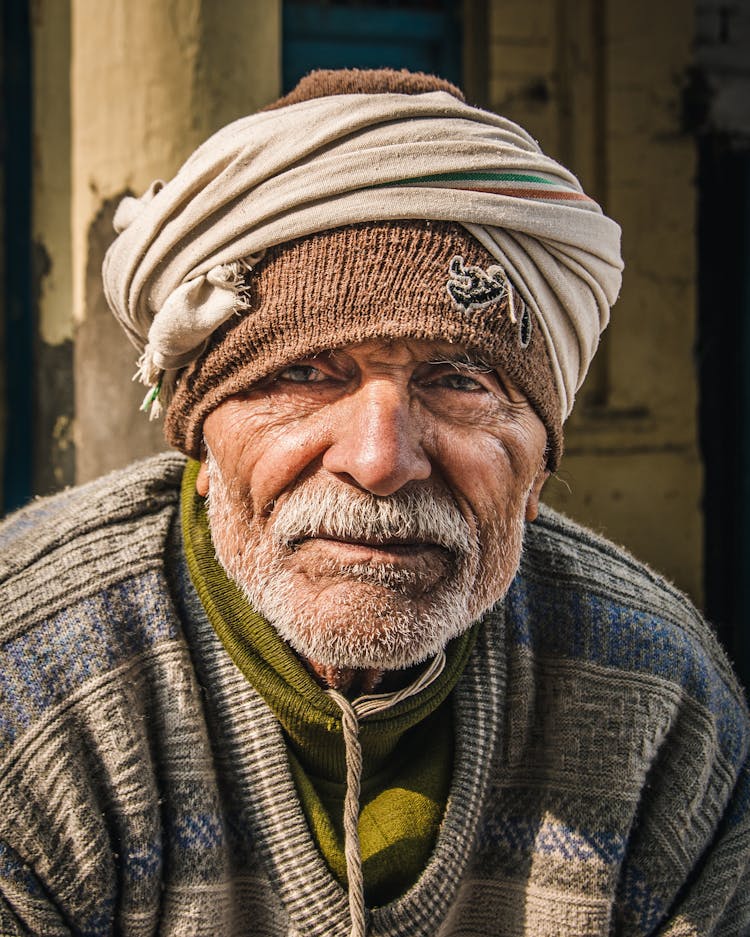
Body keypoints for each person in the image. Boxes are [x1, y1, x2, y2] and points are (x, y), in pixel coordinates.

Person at [0, 68, 747, 937]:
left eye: (458, 380)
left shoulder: (661, 703)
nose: (380, 459)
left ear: (538, 464)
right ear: (201, 441)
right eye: (305, 373)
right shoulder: (33, 686)